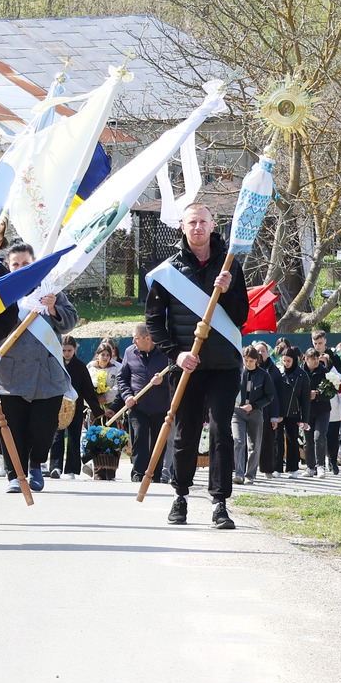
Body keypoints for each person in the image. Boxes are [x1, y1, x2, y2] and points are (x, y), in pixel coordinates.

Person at [143, 201, 250, 529]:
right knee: (185, 432)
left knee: (221, 432)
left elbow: (241, 317)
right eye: (192, 222)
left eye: (203, 221)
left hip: (224, 365)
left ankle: (220, 503)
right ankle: (180, 496)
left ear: (213, 225)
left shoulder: (230, 265)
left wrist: (227, 292)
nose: (198, 227)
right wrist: (175, 354)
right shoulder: (169, 271)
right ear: (182, 227)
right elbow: (154, 322)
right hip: (186, 365)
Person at [0, 241, 80, 494]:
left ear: (34, 263)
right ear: (8, 266)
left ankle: (36, 464)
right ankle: (15, 474)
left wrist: (52, 307)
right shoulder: (1, 291)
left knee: (44, 426)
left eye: (26, 263)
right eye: (15, 264)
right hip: (11, 372)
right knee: (12, 426)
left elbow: (70, 321)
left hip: (47, 372)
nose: (21, 268)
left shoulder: (49, 289)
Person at [116, 321, 172, 484]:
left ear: (147, 338)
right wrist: (127, 396)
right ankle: (138, 473)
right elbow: (122, 378)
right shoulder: (130, 352)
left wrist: (163, 380)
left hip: (160, 406)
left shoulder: (165, 353)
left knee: (158, 441)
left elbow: (176, 377)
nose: (133, 341)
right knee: (140, 436)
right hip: (138, 406)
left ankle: (154, 474)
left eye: (136, 338)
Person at [48, 335, 100, 478]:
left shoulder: (80, 366)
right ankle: (55, 467)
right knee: (57, 436)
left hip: (76, 406)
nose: (66, 353)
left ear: (75, 349)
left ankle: (71, 469)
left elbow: (88, 390)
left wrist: (97, 410)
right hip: (58, 405)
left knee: (74, 436)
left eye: (69, 350)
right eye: (63, 350)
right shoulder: (56, 363)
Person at [233, 344, 274, 484]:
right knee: (238, 441)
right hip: (237, 411)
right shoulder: (238, 372)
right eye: (246, 360)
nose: (248, 363)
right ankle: (238, 474)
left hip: (255, 412)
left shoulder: (264, 375)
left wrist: (254, 405)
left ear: (256, 360)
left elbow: (269, 396)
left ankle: (250, 475)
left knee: (254, 445)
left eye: (251, 361)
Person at [277, 345, 310, 475]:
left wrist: (305, 419)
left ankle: (292, 468)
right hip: (279, 412)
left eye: (288, 361)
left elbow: (305, 399)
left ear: (294, 360)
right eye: (284, 360)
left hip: (294, 412)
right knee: (277, 440)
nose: (286, 363)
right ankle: (277, 467)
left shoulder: (302, 375)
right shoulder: (279, 373)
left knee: (292, 440)